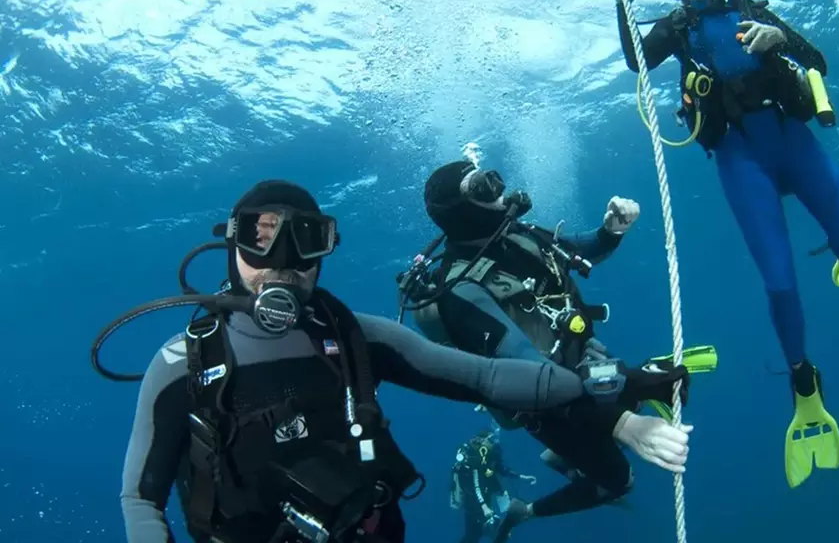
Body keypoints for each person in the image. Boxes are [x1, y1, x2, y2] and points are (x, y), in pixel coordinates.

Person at [111, 179, 697, 543]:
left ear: (326, 248)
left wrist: (618, 393)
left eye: (305, 239)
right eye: (260, 238)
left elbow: (490, 378)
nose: (283, 262)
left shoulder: (357, 336)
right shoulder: (181, 364)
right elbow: (142, 498)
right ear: (231, 244)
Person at [602, 0, 839, 488]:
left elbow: (816, 62)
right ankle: (803, 381)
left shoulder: (752, 9)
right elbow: (637, 60)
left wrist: (779, 40)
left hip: (794, 142)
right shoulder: (677, 27)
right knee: (779, 281)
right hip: (739, 158)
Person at [398, 160, 706, 543]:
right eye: (482, 187)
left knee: (654, 385)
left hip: (586, 364)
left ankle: (571, 451)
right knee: (618, 481)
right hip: (548, 405)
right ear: (461, 211)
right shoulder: (461, 291)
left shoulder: (518, 235)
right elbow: (533, 372)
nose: (498, 191)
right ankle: (524, 511)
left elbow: (573, 248)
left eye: (494, 179)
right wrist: (624, 424)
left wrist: (609, 232)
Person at [449, 426, 537, 543]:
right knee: (475, 534)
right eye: (491, 440)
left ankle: (490, 530)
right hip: (473, 501)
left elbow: (501, 468)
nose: (494, 443)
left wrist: (521, 476)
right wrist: (484, 507)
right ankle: (491, 531)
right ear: (482, 441)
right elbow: (476, 485)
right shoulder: (475, 460)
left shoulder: (489, 456)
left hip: (484, 497)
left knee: (476, 534)